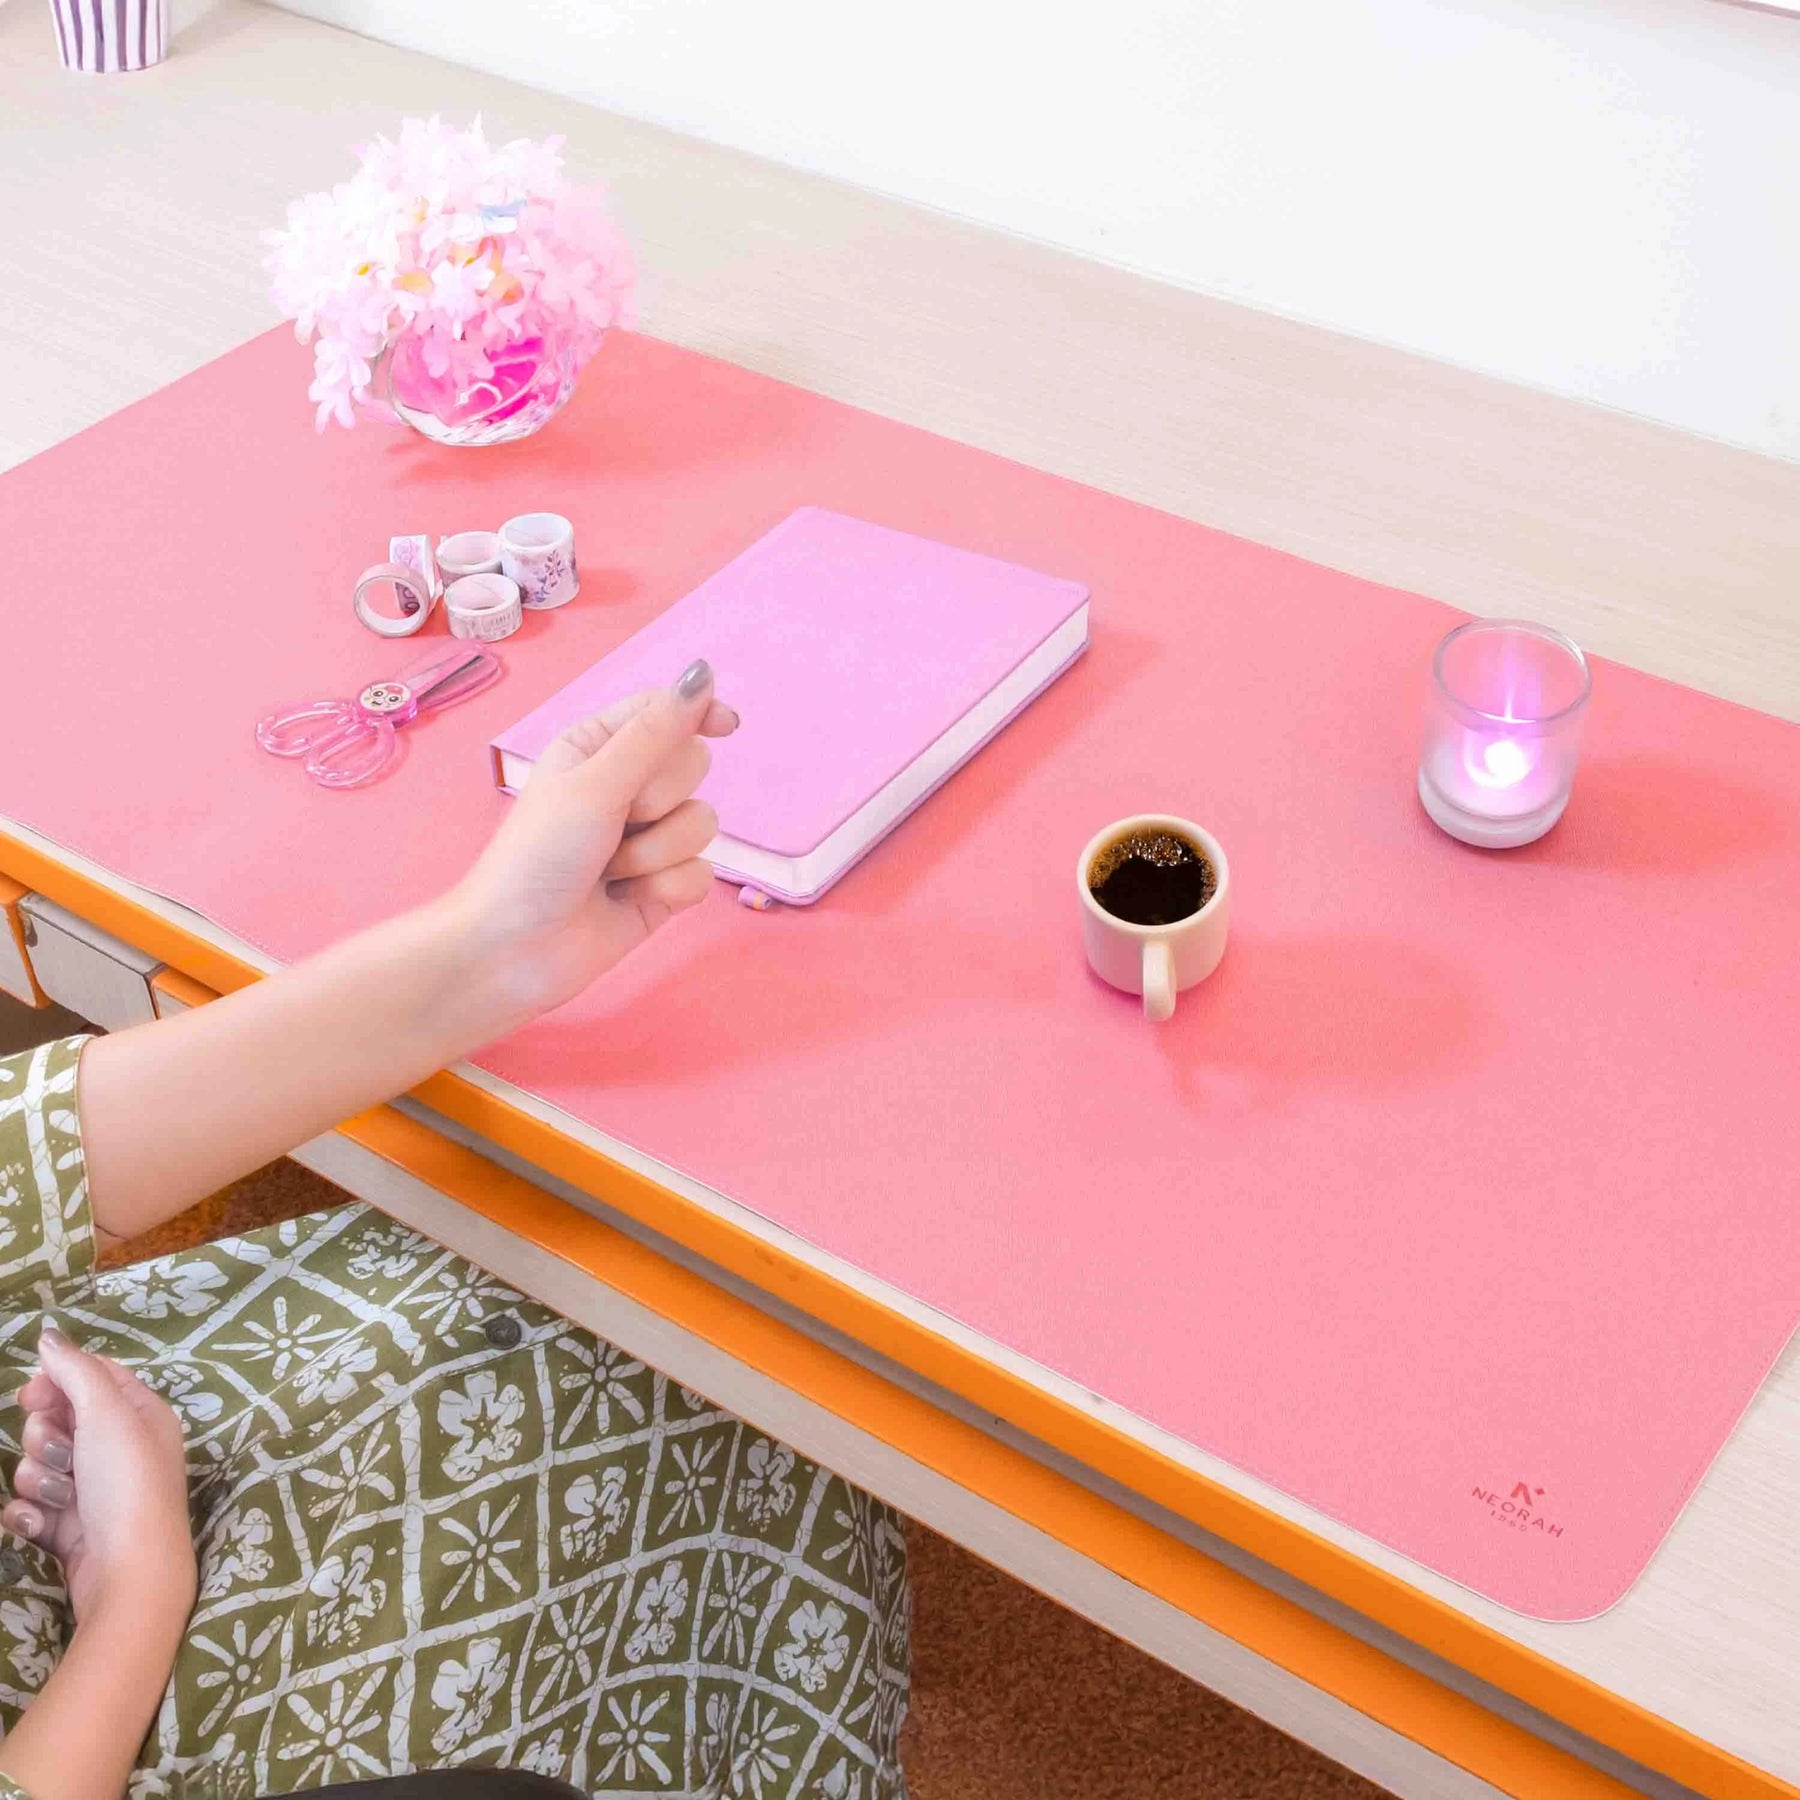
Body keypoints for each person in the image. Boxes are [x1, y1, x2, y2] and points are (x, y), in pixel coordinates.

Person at [0, 663, 909, 1800]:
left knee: (598, 1271)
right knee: (686, 1324)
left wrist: (480, 953)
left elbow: (24, 1165)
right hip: (117, 1688)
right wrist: (134, 1593)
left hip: (77, 1432)